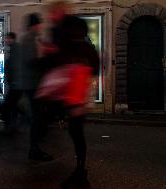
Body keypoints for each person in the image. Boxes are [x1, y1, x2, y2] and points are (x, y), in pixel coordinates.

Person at [56, 15, 99, 189]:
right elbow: (95, 70)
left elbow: (63, 72)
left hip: (75, 97)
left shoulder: (71, 48)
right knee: (77, 134)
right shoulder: (88, 48)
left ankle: (81, 174)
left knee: (76, 134)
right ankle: (81, 171)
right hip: (82, 97)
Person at [20, 13, 53, 161]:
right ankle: (34, 149)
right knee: (36, 117)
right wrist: (46, 58)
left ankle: (35, 147)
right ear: (35, 25)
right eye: (39, 24)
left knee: (38, 116)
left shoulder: (34, 39)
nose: (41, 26)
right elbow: (31, 62)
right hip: (33, 84)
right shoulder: (29, 40)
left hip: (33, 84)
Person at [0, 32, 23, 135]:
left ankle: (9, 127)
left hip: (16, 84)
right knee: (13, 106)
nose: (6, 40)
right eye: (5, 38)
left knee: (7, 105)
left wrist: (14, 81)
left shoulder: (16, 50)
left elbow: (16, 67)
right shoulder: (14, 49)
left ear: (12, 39)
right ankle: (12, 127)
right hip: (16, 83)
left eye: (7, 38)